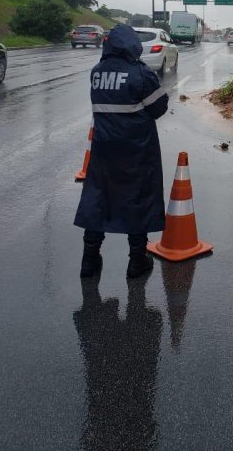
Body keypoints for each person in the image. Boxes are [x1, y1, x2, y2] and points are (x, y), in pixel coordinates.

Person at [74, 24, 168, 278]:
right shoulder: (141, 74)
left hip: (104, 150)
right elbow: (159, 108)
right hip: (136, 150)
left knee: (97, 199)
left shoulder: (96, 72)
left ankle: (89, 261)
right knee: (137, 200)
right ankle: (137, 262)